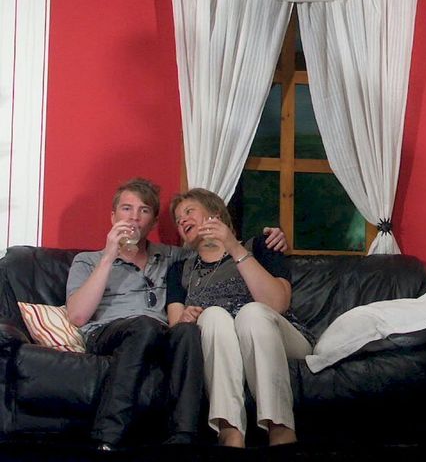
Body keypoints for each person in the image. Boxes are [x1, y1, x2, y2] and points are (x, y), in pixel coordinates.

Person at [167, 188, 314, 447]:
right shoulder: (179, 270)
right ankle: (230, 430)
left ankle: (280, 428)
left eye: (189, 212)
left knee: (252, 313)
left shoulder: (261, 246)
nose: (183, 221)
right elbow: (175, 328)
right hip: (220, 338)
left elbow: (277, 304)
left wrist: (233, 247)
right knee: (213, 315)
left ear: (215, 214)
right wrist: (186, 318)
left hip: (280, 336)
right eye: (178, 220)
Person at [66, 178, 203, 449]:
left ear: (153, 222)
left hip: (159, 334)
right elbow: (78, 316)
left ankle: (183, 437)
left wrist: (264, 242)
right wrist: (109, 256)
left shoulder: (172, 257)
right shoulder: (88, 260)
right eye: (127, 209)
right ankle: (107, 436)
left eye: (144, 210)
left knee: (187, 331)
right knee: (144, 325)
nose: (134, 217)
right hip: (108, 333)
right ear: (113, 216)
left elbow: (215, 254)